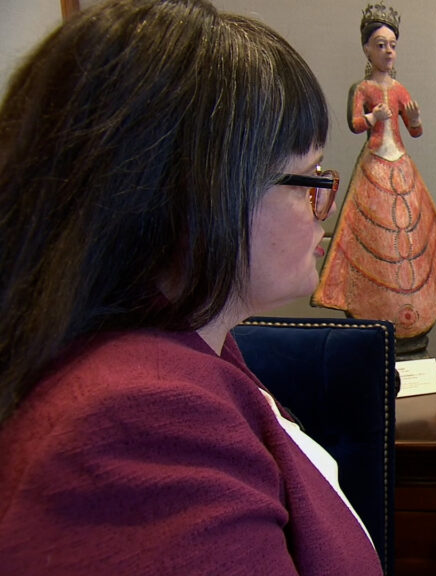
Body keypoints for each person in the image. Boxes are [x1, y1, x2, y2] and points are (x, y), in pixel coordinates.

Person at [0, 1, 381, 574]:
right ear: (199, 194)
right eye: (312, 178)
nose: (324, 207)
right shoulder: (137, 425)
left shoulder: (184, 341)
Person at [312, 2, 436, 347]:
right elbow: (356, 124)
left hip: (400, 164)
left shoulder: (400, 89)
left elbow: (414, 132)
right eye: (380, 44)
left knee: (411, 234)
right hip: (374, 166)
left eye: (392, 45)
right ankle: (373, 308)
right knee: (374, 238)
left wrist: (414, 120)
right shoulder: (363, 89)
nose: (388, 51)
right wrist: (374, 118)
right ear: (366, 49)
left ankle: (414, 310)